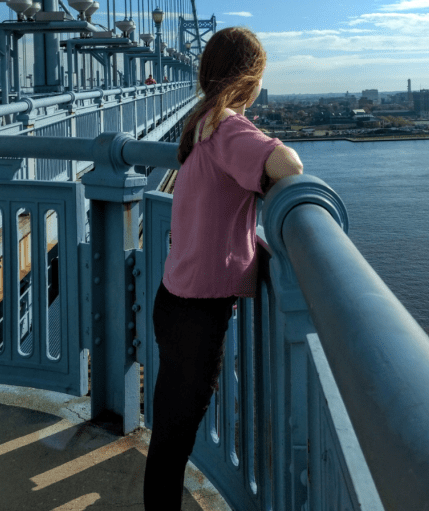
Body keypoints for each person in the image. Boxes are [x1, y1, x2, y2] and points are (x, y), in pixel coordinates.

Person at [143, 26, 304, 510]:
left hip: (173, 300)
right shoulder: (229, 127)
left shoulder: (200, 127)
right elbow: (289, 166)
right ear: (250, 79)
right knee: (173, 444)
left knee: (169, 436)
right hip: (197, 314)